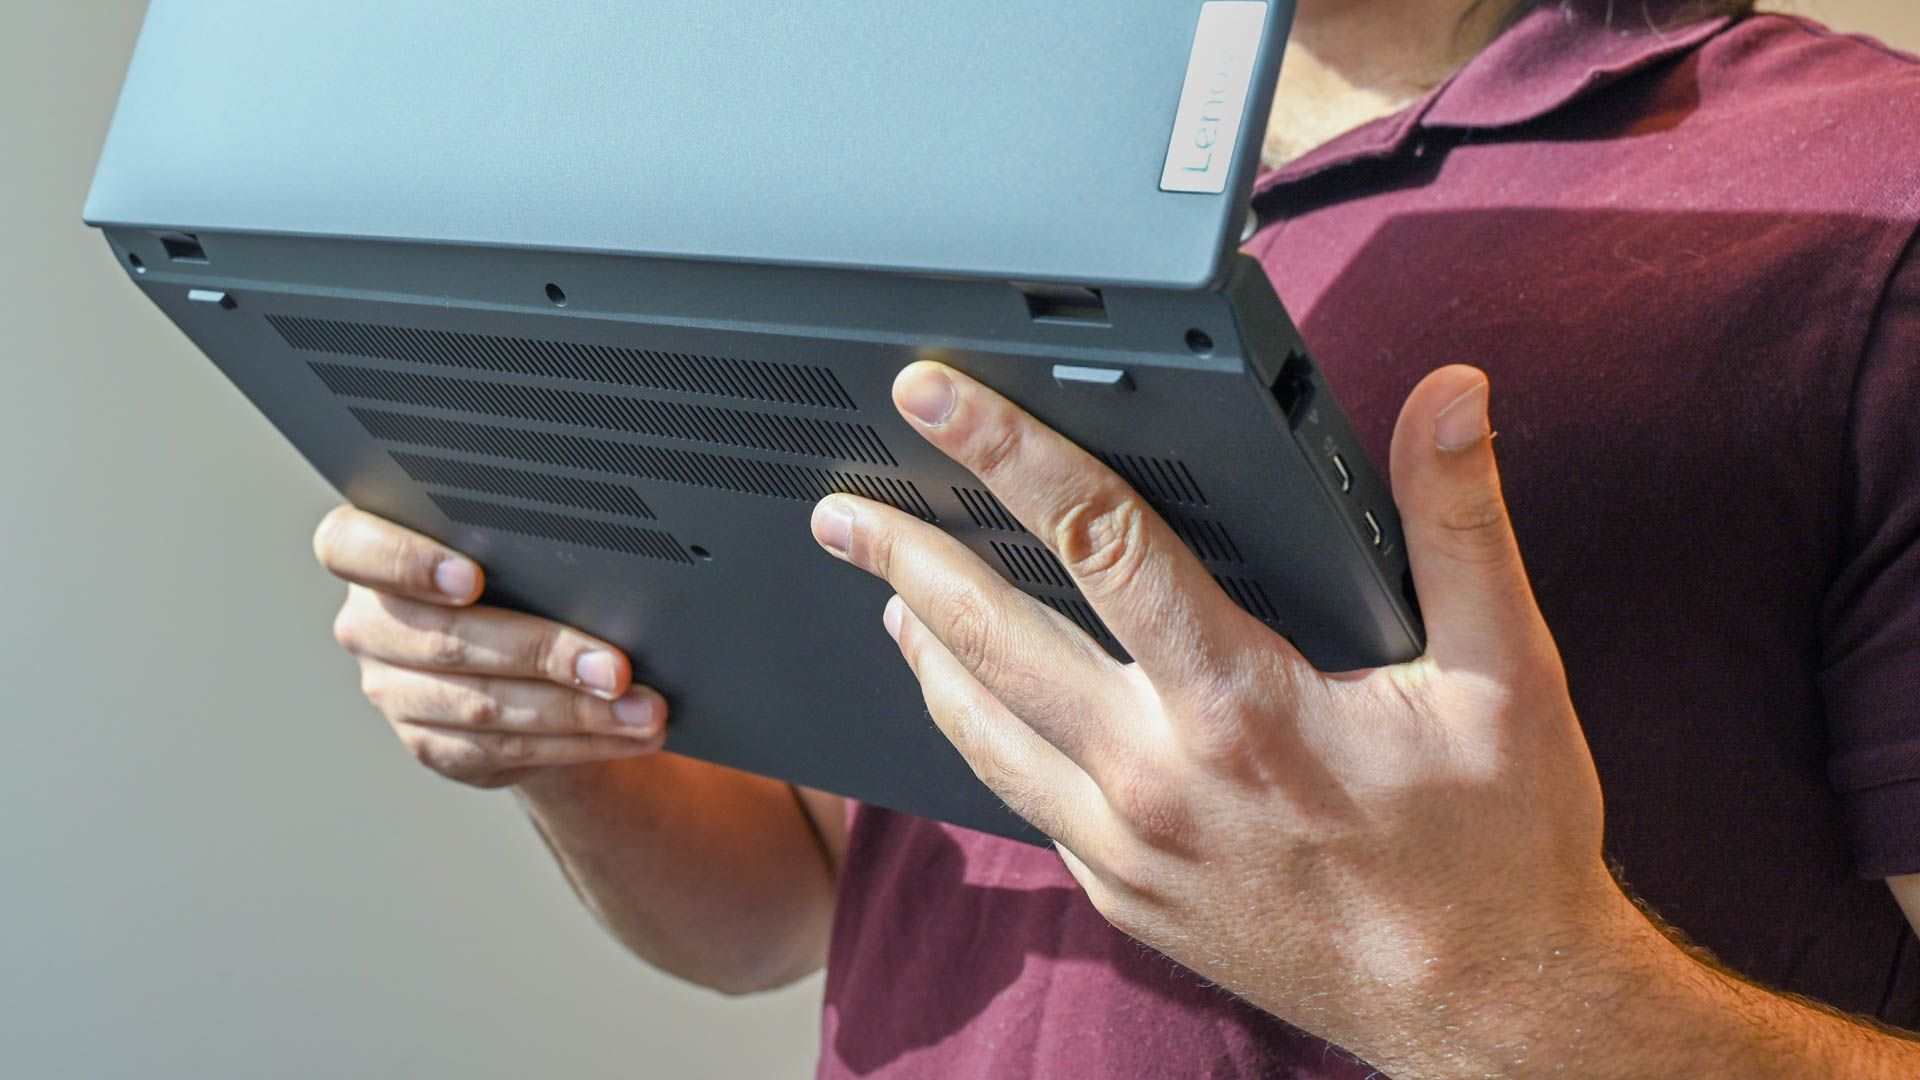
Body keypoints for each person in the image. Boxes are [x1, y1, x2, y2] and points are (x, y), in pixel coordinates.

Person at [310, 0, 1920, 1074]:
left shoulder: (1868, 190)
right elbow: (783, 912)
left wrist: (1493, 983)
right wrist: (569, 725)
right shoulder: (926, 184)